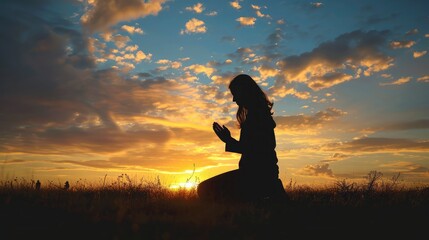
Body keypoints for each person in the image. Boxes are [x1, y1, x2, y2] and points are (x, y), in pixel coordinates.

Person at [197, 74, 288, 203]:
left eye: (235, 94)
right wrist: (228, 140)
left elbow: (256, 149)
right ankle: (268, 192)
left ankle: (267, 193)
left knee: (204, 189)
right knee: (206, 189)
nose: (234, 99)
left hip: (256, 175)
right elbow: (253, 147)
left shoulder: (257, 115)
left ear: (245, 92)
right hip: (258, 173)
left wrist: (228, 140)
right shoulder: (257, 114)